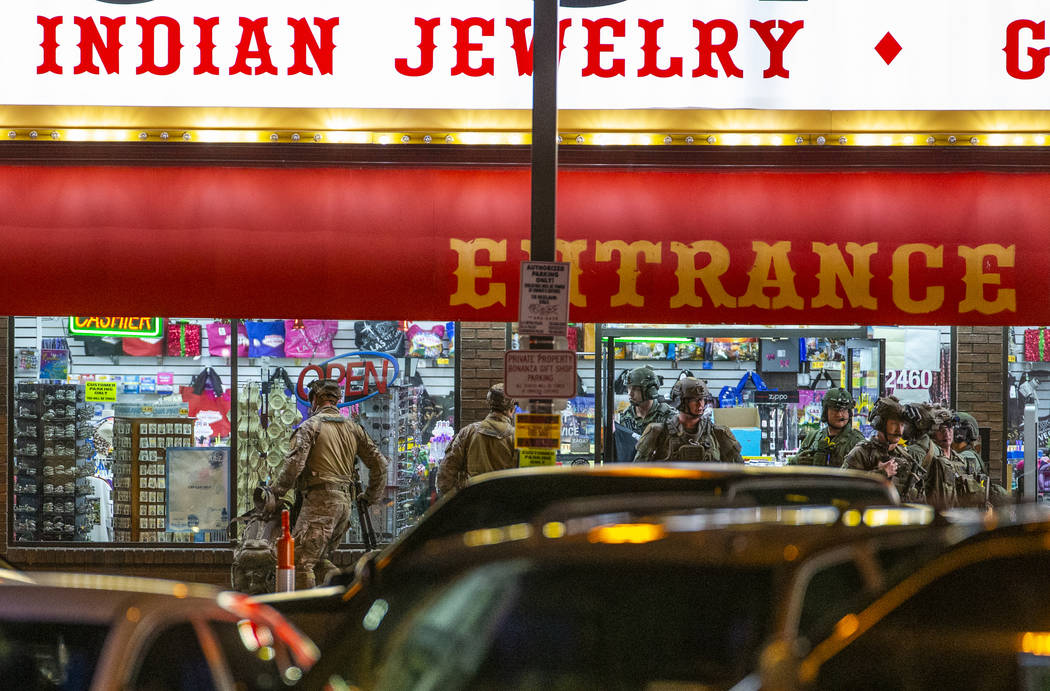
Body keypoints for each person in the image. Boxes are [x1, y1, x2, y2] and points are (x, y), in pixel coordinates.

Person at [268, 379, 388, 589]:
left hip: (319, 503)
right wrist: (370, 497)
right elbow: (380, 464)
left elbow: (294, 466)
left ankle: (307, 618)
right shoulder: (353, 428)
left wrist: (275, 492)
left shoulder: (310, 427)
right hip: (343, 506)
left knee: (300, 563)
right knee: (319, 560)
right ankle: (340, 602)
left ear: (314, 399)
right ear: (337, 400)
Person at [634, 377, 743, 463]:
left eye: (702, 399)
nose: (700, 404)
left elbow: (739, 472)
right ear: (680, 401)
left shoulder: (719, 433)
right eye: (695, 400)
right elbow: (637, 473)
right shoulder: (657, 432)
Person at [437, 383, 516, 494]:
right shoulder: (516, 437)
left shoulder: (468, 432)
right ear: (512, 409)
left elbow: (446, 473)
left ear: (489, 404)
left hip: (473, 504)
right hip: (504, 505)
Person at [843, 396, 925, 502]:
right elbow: (845, 488)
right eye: (894, 424)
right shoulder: (861, 453)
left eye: (902, 425)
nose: (899, 430)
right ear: (880, 423)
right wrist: (881, 474)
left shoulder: (906, 456)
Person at [788, 387, 864, 467]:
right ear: (825, 411)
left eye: (844, 410)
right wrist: (795, 461)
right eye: (835, 410)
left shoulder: (857, 441)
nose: (840, 415)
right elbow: (790, 470)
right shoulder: (813, 437)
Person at [617, 366, 675, 435]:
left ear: (650, 391)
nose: (630, 393)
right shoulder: (626, 416)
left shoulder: (668, 416)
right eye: (629, 388)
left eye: (635, 389)